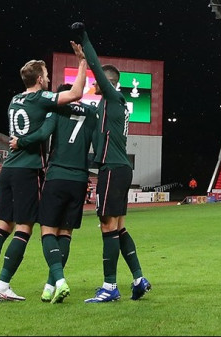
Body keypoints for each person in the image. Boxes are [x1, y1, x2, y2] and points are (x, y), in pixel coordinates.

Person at [0, 55, 84, 302]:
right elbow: (76, 93)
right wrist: (82, 63)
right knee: (24, 228)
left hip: (8, 168)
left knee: (2, 227)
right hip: (28, 170)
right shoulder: (41, 98)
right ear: (39, 79)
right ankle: (4, 285)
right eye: (46, 75)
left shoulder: (14, 99)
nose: (48, 79)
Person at [72, 23, 152, 303]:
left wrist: (84, 40)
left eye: (97, 82)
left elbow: (96, 67)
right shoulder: (108, 105)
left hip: (112, 168)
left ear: (106, 82)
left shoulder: (113, 96)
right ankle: (139, 279)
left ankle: (109, 287)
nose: (93, 85)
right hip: (119, 168)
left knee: (107, 227)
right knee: (118, 227)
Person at [10, 78, 99, 304]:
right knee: (66, 233)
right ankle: (49, 287)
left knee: (47, 230)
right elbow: (98, 147)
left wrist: (21, 142)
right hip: (80, 179)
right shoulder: (92, 113)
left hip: (57, 175)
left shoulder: (57, 109)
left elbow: (43, 134)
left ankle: (59, 281)